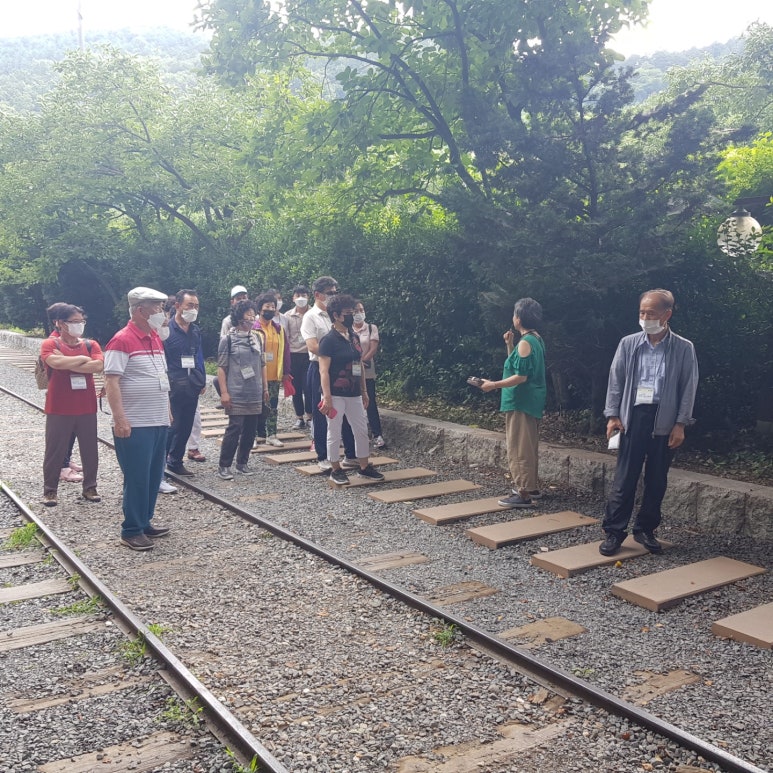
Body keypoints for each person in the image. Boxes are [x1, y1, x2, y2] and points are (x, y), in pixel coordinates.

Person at [599, 289, 699, 556]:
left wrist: (680, 424)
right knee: (625, 477)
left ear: (667, 315)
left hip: (665, 417)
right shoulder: (628, 343)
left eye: (651, 313)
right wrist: (612, 415)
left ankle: (645, 529)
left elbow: (688, 387)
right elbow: (616, 379)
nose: (645, 318)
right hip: (632, 417)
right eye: (642, 312)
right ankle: (614, 531)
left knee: (657, 479)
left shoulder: (683, 348)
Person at [104, 287, 172, 551]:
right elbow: (111, 381)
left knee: (153, 475)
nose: (161, 312)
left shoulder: (154, 337)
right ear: (140, 310)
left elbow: (161, 378)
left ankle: (144, 521)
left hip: (157, 420)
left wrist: (167, 410)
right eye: (157, 307)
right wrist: (120, 419)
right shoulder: (121, 340)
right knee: (137, 477)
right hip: (136, 422)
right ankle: (131, 529)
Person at [479, 298, 547, 509]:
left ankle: (523, 492)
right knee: (528, 445)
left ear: (519, 318)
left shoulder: (526, 343)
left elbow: (521, 377)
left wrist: (493, 385)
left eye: (514, 314)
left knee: (518, 447)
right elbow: (519, 367)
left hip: (520, 401)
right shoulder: (535, 339)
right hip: (530, 400)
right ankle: (531, 487)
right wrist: (509, 345)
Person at [40, 303, 104, 507]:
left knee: (90, 449)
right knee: (54, 450)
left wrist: (69, 361)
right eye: (74, 321)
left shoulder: (91, 344)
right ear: (60, 323)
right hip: (59, 407)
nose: (79, 325)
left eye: (81, 321)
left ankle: (90, 487)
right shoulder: (50, 344)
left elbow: (98, 365)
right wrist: (83, 360)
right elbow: (55, 363)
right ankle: (50, 491)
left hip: (87, 406)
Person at [318, 294, 385, 485]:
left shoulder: (353, 337)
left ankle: (364, 466)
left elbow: (360, 365)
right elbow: (323, 371)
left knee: (361, 429)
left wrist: (364, 391)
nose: (352, 315)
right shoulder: (328, 340)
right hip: (335, 393)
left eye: (353, 312)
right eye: (348, 312)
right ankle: (335, 468)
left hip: (354, 392)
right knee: (334, 431)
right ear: (336, 315)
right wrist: (327, 397)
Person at [301, 276, 357, 471]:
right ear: (318, 295)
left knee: (348, 411)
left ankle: (350, 454)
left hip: (343, 370)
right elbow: (312, 345)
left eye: (335, 292)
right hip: (320, 368)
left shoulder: (339, 314)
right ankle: (323, 456)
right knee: (323, 411)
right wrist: (335, 354)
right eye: (330, 293)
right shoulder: (311, 316)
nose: (334, 295)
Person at [217, 300, 268, 479]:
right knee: (235, 427)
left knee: (250, 429)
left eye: (253, 314)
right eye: (248, 314)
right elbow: (221, 368)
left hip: (255, 390)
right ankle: (224, 465)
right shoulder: (228, 339)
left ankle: (242, 463)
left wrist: (265, 388)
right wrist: (224, 392)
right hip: (236, 390)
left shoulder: (258, 338)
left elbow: (262, 364)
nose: (252, 317)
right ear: (239, 317)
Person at [163, 289, 206, 476]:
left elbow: (198, 356)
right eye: (190, 305)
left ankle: (175, 461)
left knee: (186, 426)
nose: (193, 309)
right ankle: (160, 465)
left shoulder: (195, 331)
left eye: (196, 306)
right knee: (172, 427)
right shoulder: (166, 330)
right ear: (178, 305)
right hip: (172, 385)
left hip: (191, 385)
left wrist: (201, 379)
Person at [253, 292, 291, 447]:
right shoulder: (253, 328)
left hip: (274, 373)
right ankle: (251, 436)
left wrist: (286, 371)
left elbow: (286, 351)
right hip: (256, 375)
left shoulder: (279, 329)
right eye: (267, 306)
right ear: (259, 308)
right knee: (254, 406)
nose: (270, 309)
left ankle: (272, 435)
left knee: (272, 406)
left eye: (273, 307)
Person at [352, 300, 385, 449]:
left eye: (361, 310)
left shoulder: (371, 328)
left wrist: (362, 362)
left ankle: (377, 434)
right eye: (356, 311)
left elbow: (373, 348)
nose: (359, 313)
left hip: (368, 370)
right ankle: (354, 435)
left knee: (370, 401)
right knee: (353, 402)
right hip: (351, 371)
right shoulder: (347, 330)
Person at [285, 285, 313, 429]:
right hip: (293, 355)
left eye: (304, 295)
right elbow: (285, 337)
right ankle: (299, 417)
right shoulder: (287, 316)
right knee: (295, 388)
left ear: (309, 297)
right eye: (298, 295)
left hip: (309, 355)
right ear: (293, 298)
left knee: (308, 387)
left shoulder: (313, 313)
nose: (301, 298)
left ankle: (310, 416)